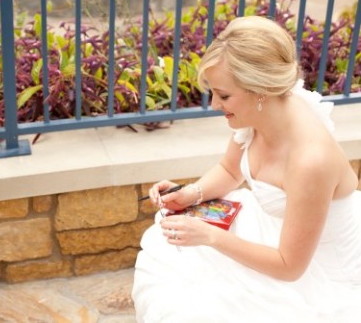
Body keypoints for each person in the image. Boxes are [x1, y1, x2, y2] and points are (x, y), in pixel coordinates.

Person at [132, 16, 361, 322]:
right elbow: (229, 170)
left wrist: (211, 236)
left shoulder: (310, 161)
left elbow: (289, 266)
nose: (214, 104)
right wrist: (190, 194)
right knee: (174, 259)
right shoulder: (263, 111)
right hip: (274, 229)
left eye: (224, 96)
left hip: (316, 267)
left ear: (261, 88)